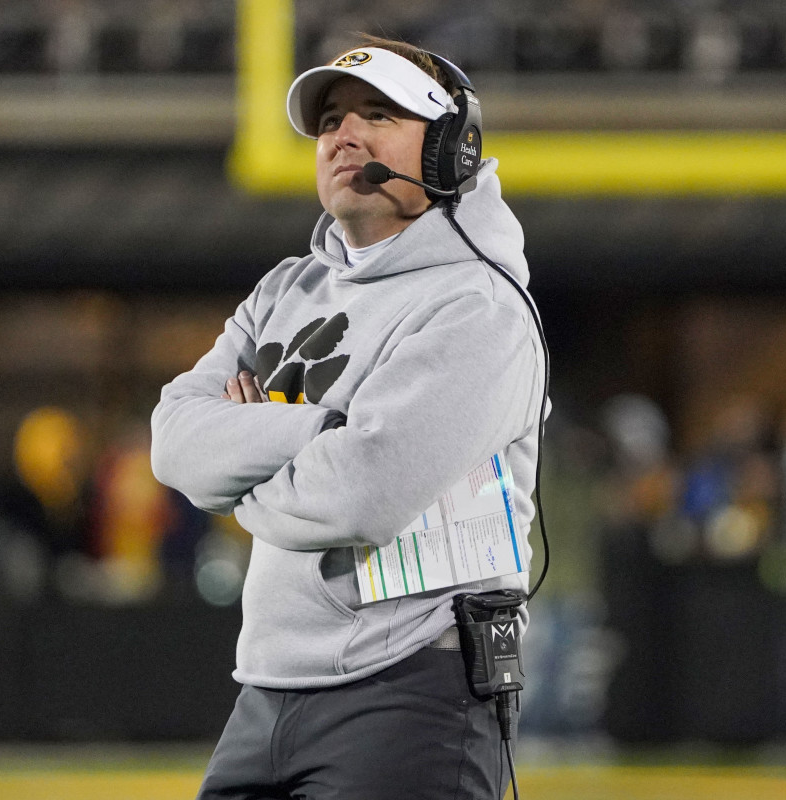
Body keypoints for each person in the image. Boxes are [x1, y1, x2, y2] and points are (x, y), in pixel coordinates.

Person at [151, 35, 546, 800]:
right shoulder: (285, 287)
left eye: (377, 113)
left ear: (450, 149)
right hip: (266, 685)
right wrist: (317, 431)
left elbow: (363, 491)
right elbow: (174, 442)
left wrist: (241, 471)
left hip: (414, 690)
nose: (344, 135)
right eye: (330, 120)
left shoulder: (482, 307)